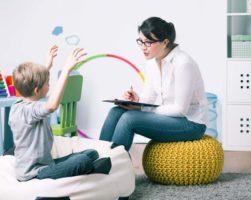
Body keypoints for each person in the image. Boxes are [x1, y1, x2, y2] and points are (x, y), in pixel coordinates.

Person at [100, 17, 208, 151]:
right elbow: (148, 98)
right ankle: (98, 159)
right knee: (116, 111)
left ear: (165, 42)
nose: (143, 47)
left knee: (129, 118)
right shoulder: (152, 62)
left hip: (191, 123)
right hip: (170, 118)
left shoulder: (183, 63)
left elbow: (180, 110)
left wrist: (142, 109)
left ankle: (113, 165)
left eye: (148, 42)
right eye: (140, 41)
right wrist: (136, 101)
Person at [9, 45, 111, 181]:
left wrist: (48, 65)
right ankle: (90, 171)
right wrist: (66, 70)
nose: (49, 85)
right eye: (48, 83)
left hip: (46, 164)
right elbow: (52, 106)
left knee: (91, 153)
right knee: (82, 161)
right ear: (36, 90)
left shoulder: (26, 104)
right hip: (35, 174)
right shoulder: (27, 110)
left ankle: (86, 168)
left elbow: (38, 85)